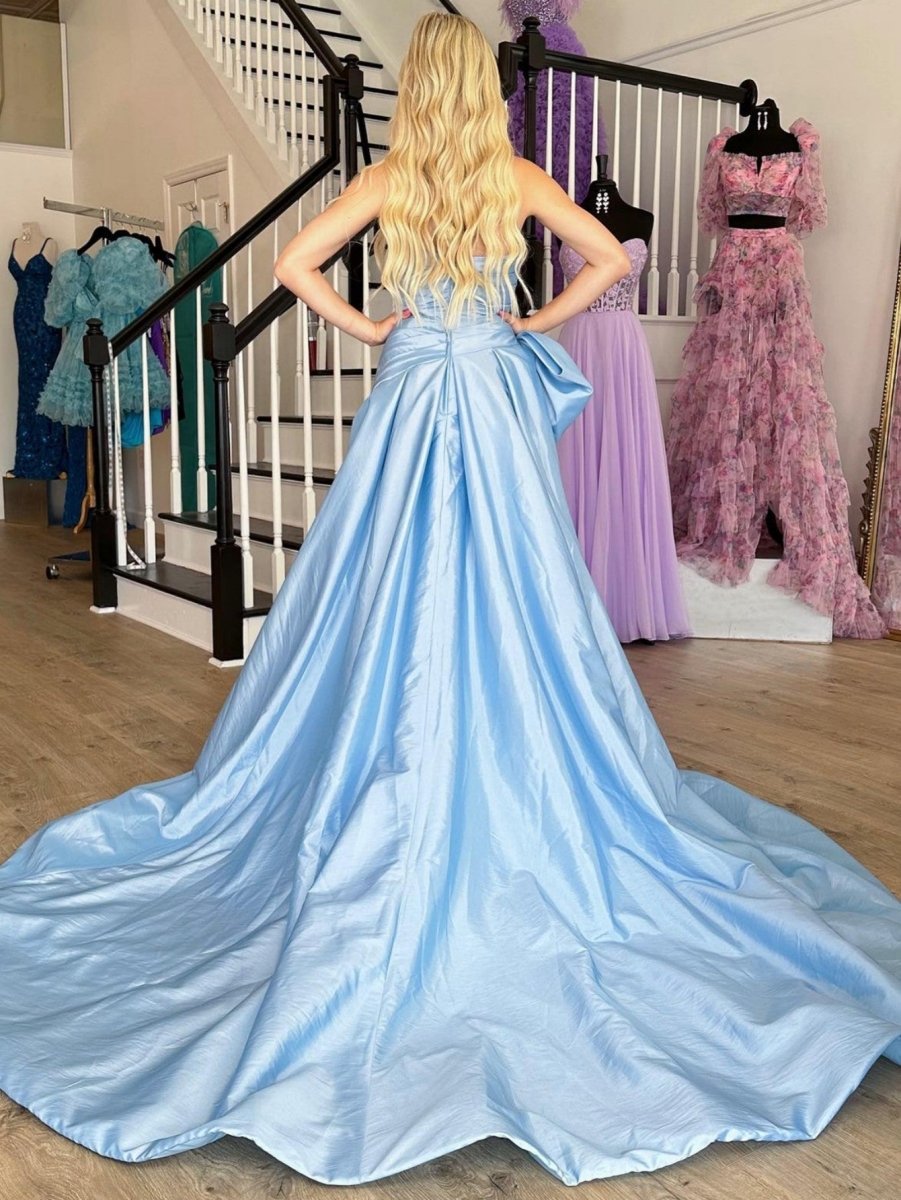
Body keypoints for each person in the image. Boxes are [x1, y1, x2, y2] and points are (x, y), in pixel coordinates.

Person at [0, 12, 898, 1191]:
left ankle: (389, 745)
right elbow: (616, 260)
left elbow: (291, 267)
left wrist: (374, 325)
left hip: (416, 390)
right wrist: (531, 321)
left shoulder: (389, 178)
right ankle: (515, 747)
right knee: (520, 586)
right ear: (480, 87)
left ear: (418, 89)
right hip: (489, 393)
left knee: (380, 584)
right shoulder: (513, 176)